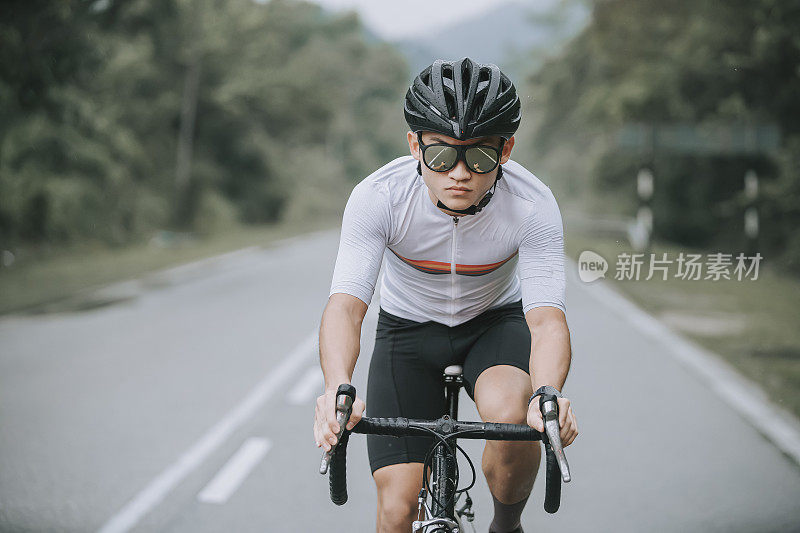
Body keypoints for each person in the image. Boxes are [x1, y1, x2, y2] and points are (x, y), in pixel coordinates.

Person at [313, 57, 578, 533]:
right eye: (440, 155)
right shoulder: (379, 197)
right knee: (397, 508)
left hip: (492, 325)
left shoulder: (533, 205)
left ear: (507, 150)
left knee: (514, 417)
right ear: (414, 144)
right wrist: (336, 384)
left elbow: (545, 321)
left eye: (478, 157)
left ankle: (505, 524)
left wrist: (548, 395)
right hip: (406, 334)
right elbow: (346, 307)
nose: (459, 173)